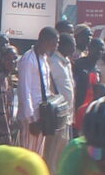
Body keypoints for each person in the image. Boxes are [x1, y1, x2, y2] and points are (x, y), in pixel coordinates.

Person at [18, 25, 74, 165]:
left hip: (43, 114)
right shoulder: (28, 59)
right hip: (31, 118)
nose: (56, 46)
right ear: (45, 40)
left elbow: (46, 88)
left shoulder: (44, 59)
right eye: (55, 43)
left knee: (38, 157)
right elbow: (25, 91)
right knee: (28, 157)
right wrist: (31, 121)